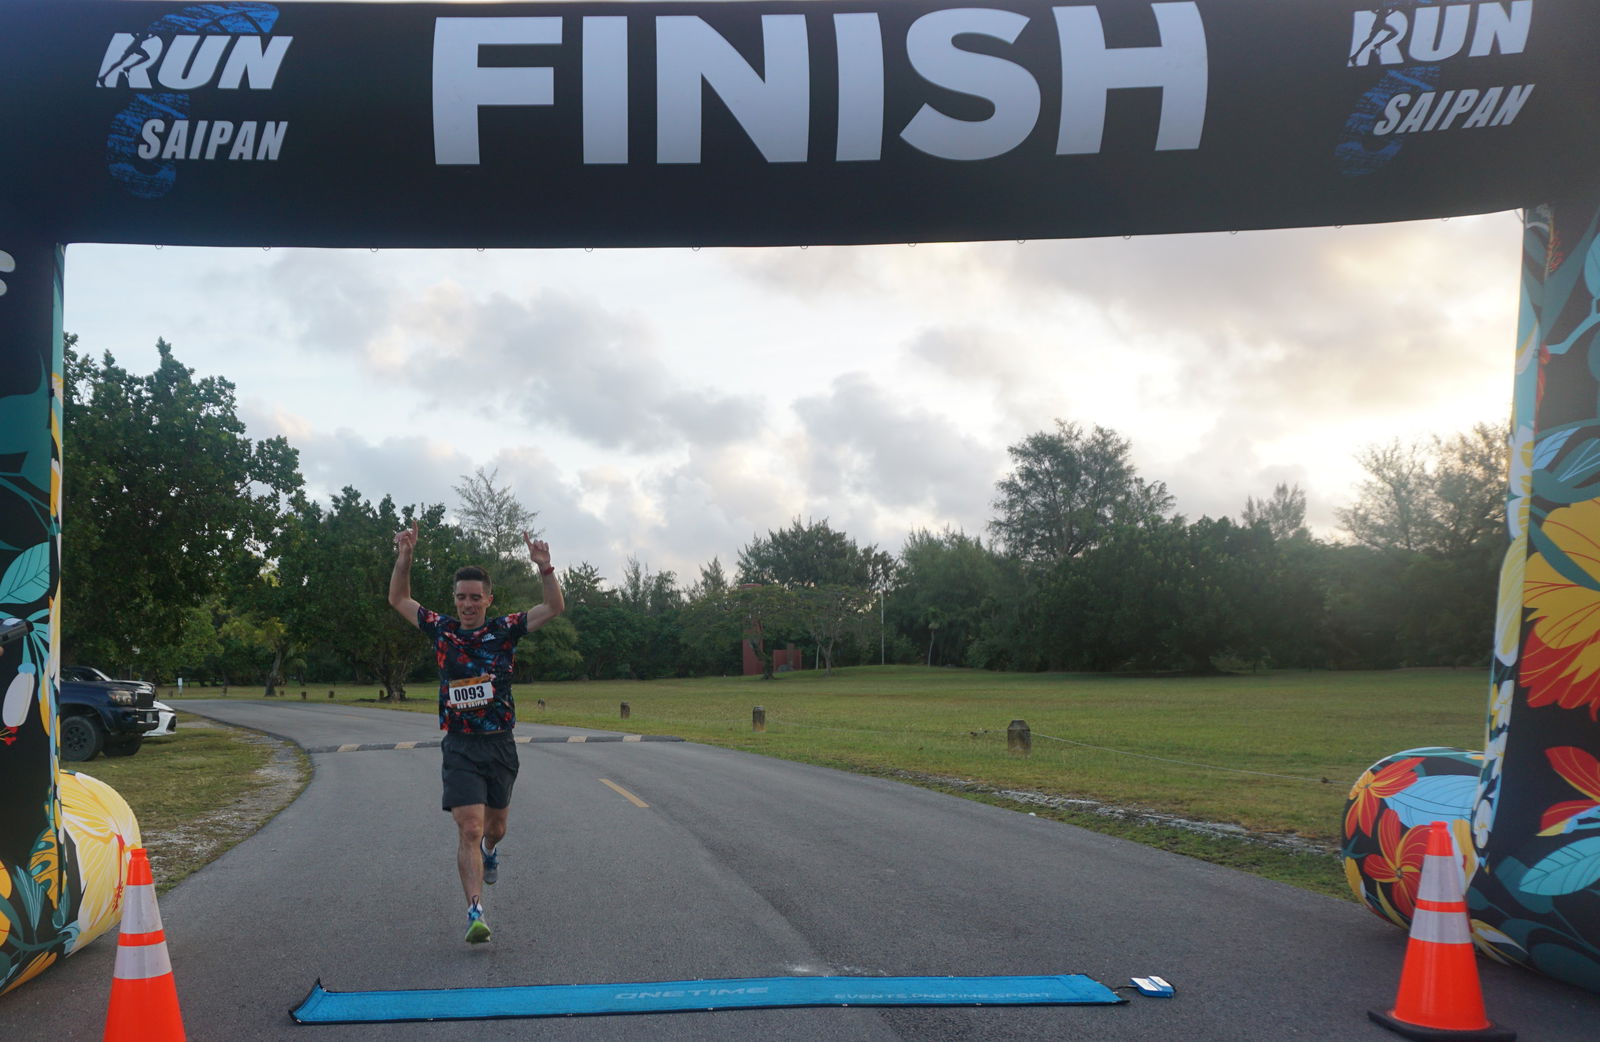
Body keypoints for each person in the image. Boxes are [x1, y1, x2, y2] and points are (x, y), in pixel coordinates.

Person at [388, 522, 565, 943]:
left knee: (494, 827)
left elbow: (553, 608)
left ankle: (490, 853)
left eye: (474, 597)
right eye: (460, 597)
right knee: (469, 826)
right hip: (460, 746)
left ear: (488, 599)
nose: (467, 604)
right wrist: (405, 556)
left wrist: (545, 570)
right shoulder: (442, 630)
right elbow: (398, 598)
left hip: (499, 744)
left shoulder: (503, 631)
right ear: (455, 600)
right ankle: (474, 912)